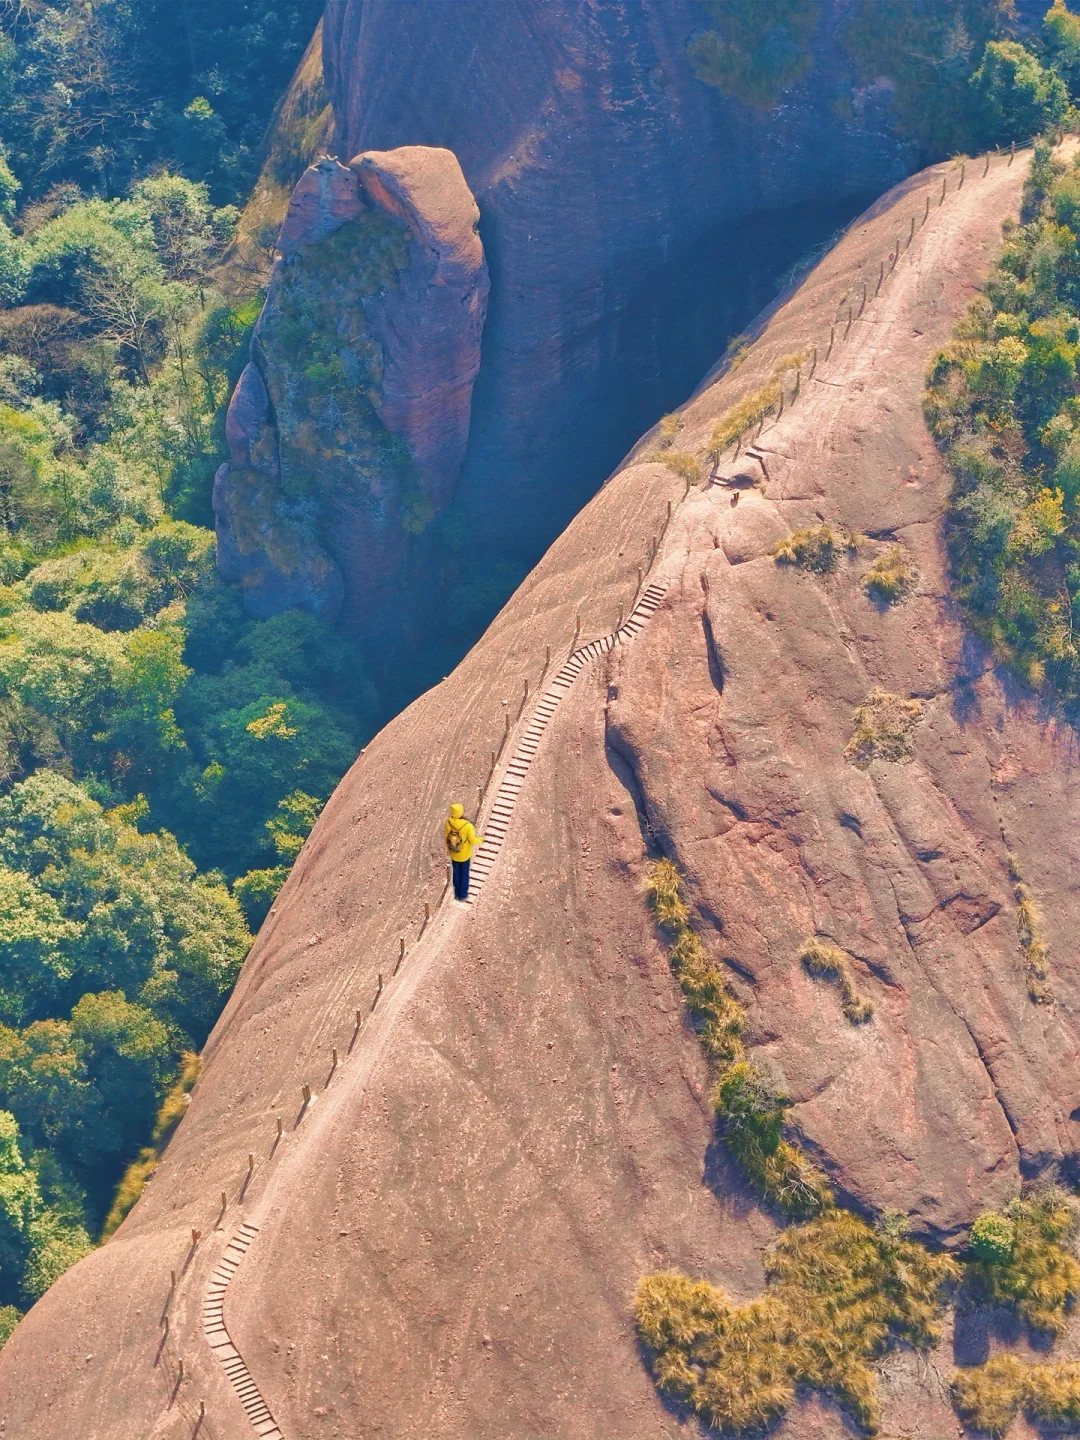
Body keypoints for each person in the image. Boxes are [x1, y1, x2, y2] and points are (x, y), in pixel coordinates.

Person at [445, 803, 483, 902]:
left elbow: (446, 839)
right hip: (465, 855)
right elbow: (473, 840)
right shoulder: (468, 826)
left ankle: (457, 893)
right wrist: (481, 839)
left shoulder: (449, 823)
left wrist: (450, 851)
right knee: (464, 874)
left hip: (454, 854)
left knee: (456, 874)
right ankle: (462, 895)